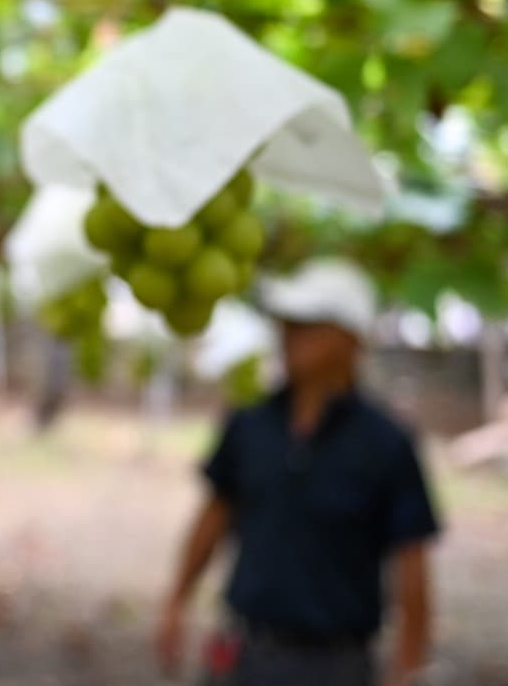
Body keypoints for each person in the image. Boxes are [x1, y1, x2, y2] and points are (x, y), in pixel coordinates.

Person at [154, 259, 440, 686]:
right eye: (288, 323)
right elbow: (214, 515)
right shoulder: (249, 425)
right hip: (241, 653)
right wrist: (177, 600)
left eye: (308, 324)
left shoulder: (387, 445)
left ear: (350, 339)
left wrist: (406, 668)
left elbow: (411, 562)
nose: (291, 336)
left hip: (334, 664)